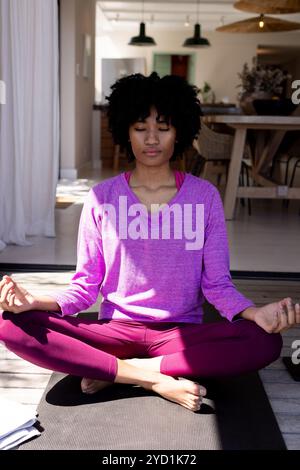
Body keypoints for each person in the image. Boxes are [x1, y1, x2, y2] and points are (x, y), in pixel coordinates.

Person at [0, 72, 299, 413]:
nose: (152, 139)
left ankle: (123, 372)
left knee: (264, 341)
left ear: (180, 133)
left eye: (164, 127)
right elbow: (84, 288)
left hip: (180, 335)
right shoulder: (102, 198)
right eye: (141, 128)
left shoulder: (205, 197)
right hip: (115, 332)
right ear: (126, 132)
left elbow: (218, 286)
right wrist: (33, 301)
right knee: (11, 325)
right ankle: (152, 377)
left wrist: (255, 311)